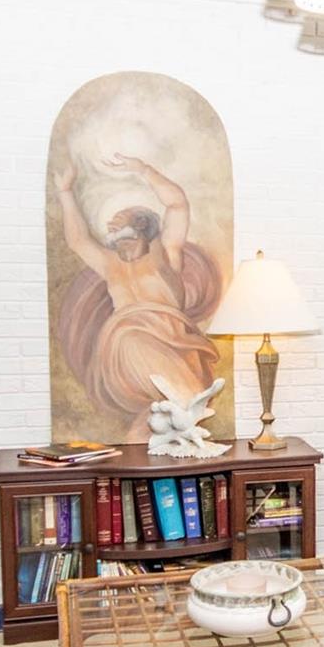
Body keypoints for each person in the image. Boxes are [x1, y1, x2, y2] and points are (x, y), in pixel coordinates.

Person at [52, 152, 223, 441]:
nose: (110, 227)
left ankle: (144, 446)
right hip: (125, 343)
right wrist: (65, 192)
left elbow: (177, 203)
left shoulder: (165, 253)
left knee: (169, 413)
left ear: (141, 226)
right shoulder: (110, 263)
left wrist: (143, 169)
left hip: (173, 344)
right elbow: (78, 240)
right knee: (182, 394)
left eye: (119, 221)